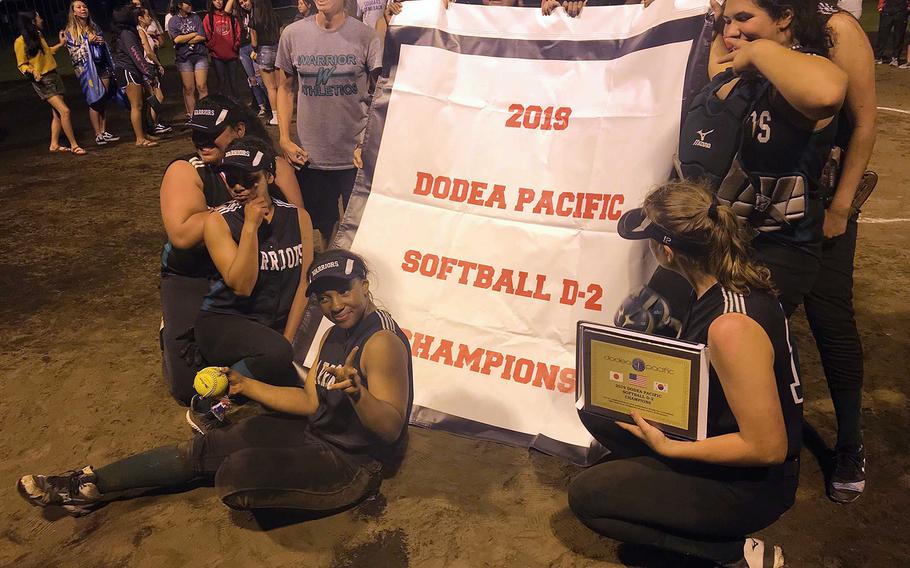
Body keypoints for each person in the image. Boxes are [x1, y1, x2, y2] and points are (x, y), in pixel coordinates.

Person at [18, 249, 413, 518]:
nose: (335, 304)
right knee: (209, 447)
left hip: (354, 465)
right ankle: (88, 485)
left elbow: (391, 429)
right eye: (323, 299)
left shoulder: (380, 342)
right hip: (318, 435)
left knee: (234, 473)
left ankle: (94, 487)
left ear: (364, 282)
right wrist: (244, 385)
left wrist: (359, 394)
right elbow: (311, 401)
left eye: (343, 290)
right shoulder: (335, 333)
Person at [570, 181, 803, 568]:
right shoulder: (725, 282)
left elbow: (768, 448)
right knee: (596, 403)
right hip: (724, 439)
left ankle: (734, 553)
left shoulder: (730, 326)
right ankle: (664, 488)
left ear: (665, 250)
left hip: (753, 485)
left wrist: (671, 448)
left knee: (589, 497)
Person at [159, 95, 304, 406]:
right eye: (195, 133)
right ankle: (172, 328)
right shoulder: (187, 169)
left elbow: (295, 222)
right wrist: (238, 209)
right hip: (195, 275)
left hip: (257, 268)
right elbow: (182, 236)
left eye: (210, 133)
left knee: (279, 357)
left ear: (238, 129)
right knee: (189, 388)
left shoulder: (272, 166)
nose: (201, 141)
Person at [187, 137, 314, 433]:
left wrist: (289, 341)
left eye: (249, 179)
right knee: (276, 354)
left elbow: (304, 287)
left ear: (269, 176)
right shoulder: (218, 222)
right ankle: (206, 407)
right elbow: (242, 285)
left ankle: (269, 363)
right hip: (225, 322)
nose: (239, 187)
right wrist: (250, 227)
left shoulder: (299, 218)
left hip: (273, 329)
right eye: (231, 180)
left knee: (291, 368)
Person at [809, 3, 877, 503]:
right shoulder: (738, 19)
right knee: (755, 320)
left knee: (830, 319)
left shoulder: (837, 27)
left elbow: (864, 122)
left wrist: (841, 204)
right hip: (754, 204)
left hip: (818, 203)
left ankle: (850, 441)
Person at [276, 0, 382, 249]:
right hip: (311, 157)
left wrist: (366, 143)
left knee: (361, 231)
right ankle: (329, 280)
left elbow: (379, 96)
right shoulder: (292, 34)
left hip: (355, 156)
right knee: (325, 228)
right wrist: (284, 137)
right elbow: (285, 87)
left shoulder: (365, 36)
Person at [14, 10, 85, 155]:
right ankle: (74, 145)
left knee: (57, 114)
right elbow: (21, 64)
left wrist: (60, 44)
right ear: (33, 21)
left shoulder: (38, 35)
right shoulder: (20, 42)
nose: (42, 19)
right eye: (39, 17)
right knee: (65, 111)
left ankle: (54, 144)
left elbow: (46, 52)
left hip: (54, 76)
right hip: (43, 81)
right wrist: (33, 71)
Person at [63, 0, 121, 147]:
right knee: (95, 101)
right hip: (88, 71)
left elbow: (103, 44)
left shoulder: (93, 26)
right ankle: (97, 134)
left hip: (102, 67)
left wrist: (101, 41)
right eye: (79, 7)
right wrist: (88, 42)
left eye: (84, 6)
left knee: (103, 99)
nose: (83, 9)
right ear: (74, 12)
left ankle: (103, 130)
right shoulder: (70, 31)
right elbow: (74, 54)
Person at [111, 5, 158, 147]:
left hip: (132, 70)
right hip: (127, 71)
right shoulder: (127, 34)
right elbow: (136, 56)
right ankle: (139, 138)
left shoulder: (129, 32)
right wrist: (148, 73)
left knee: (141, 104)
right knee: (136, 105)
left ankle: (144, 134)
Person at [167, 0, 209, 117]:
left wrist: (185, 38)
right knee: (189, 88)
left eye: (191, 3)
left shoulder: (195, 17)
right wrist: (193, 34)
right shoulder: (173, 20)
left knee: (202, 86)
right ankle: (192, 115)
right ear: (180, 5)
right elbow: (176, 39)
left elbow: (202, 36)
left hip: (199, 55)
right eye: (187, 4)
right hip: (184, 58)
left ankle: (204, 114)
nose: (190, 6)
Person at [231, 0, 271, 118]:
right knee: (252, 80)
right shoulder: (239, 14)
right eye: (241, 2)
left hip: (256, 47)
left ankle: (272, 104)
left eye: (245, 1)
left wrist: (256, 48)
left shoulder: (257, 11)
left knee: (260, 79)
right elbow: (227, 10)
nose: (244, 4)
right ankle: (261, 106)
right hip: (243, 49)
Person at [136, 6, 172, 135]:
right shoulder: (140, 31)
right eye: (147, 16)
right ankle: (153, 125)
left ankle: (154, 124)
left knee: (155, 97)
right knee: (156, 97)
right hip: (148, 66)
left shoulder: (144, 31)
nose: (150, 18)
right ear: (140, 18)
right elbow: (149, 52)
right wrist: (159, 64)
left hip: (149, 66)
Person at [247, 0, 281, 126]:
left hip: (264, 51)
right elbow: (280, 33)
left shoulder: (254, 19)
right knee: (280, 86)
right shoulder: (275, 16)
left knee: (271, 88)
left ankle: (276, 116)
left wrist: (254, 51)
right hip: (277, 50)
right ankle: (284, 112)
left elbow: (254, 42)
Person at [203, 0, 243, 100]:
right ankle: (224, 107)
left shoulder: (231, 16)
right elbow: (206, 35)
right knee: (221, 82)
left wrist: (235, 46)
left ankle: (237, 105)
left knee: (234, 82)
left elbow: (238, 32)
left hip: (232, 55)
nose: (218, 2)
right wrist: (213, 47)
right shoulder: (209, 18)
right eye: (215, 0)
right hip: (217, 57)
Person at [874, 0, 908, 66]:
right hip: (887, 10)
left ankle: (895, 58)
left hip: (901, 10)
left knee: (899, 36)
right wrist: (881, 4)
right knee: (882, 35)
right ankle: (878, 57)